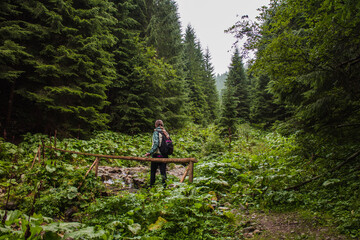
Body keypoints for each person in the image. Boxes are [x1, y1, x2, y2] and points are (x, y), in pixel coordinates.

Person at [145, 119, 170, 187]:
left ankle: (151, 186)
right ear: (162, 125)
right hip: (164, 155)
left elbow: (156, 144)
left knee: (153, 171)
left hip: (157, 155)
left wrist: (150, 153)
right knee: (163, 172)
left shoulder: (156, 132)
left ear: (156, 125)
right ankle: (164, 187)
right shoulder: (166, 133)